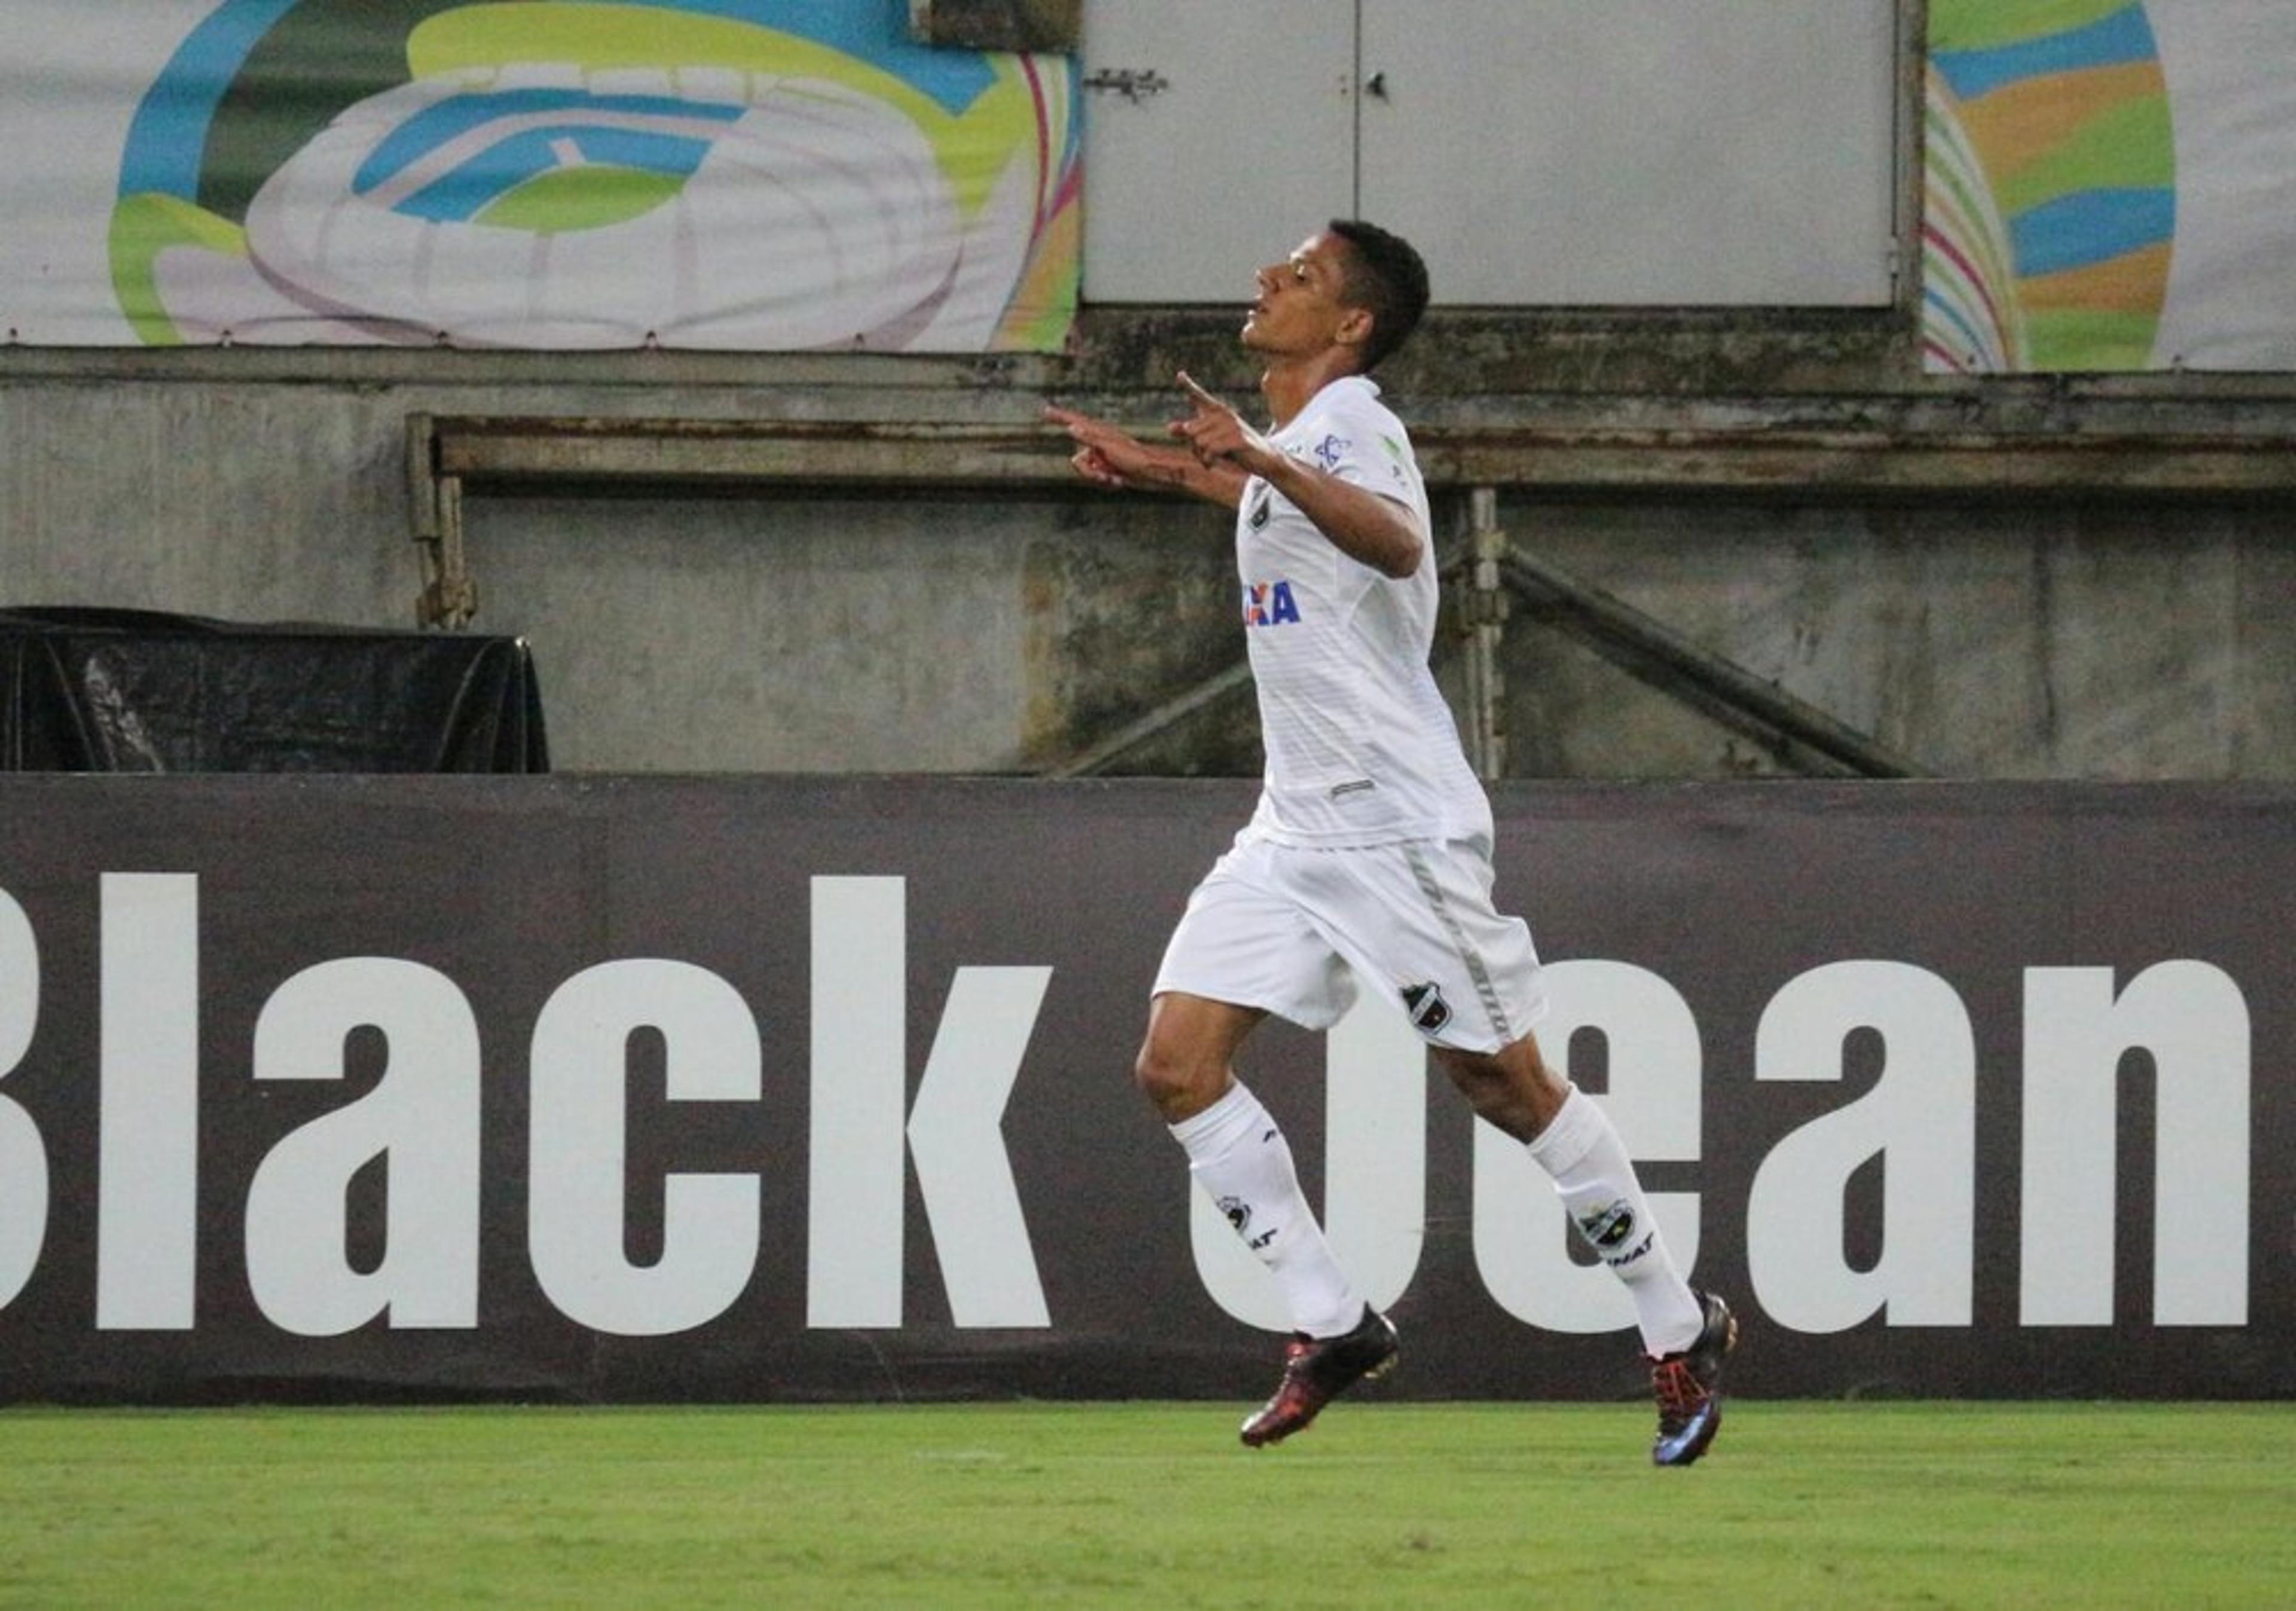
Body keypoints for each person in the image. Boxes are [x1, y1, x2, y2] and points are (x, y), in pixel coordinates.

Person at [1044, 220, 1736, 1466]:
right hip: (1294, 824)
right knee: (1176, 1065)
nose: (1267, 279)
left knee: (1503, 1085)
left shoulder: (1353, 419)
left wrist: (1255, 456)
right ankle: (1331, 1319)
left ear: (1352, 325)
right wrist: (1163, 467)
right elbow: (1282, 509)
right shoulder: (1299, 448)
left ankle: (1678, 1323)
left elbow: (1398, 540)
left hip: (1393, 825)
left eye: (1301, 276)